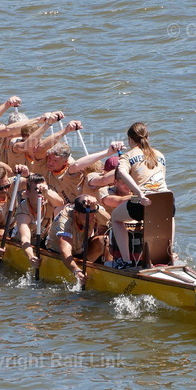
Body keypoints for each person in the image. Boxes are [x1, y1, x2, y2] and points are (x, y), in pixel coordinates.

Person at [109, 122, 170, 267]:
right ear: (147, 137)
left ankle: (126, 261)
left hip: (143, 202)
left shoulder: (127, 155)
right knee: (169, 217)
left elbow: (122, 173)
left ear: (130, 139)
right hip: (166, 200)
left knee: (116, 218)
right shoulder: (160, 155)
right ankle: (168, 255)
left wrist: (139, 193)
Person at [46, 195, 110, 285]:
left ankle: (112, 270)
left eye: (92, 213)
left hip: (81, 250)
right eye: (86, 214)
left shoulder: (94, 211)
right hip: (59, 254)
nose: (90, 217)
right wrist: (76, 271)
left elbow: (109, 221)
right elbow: (65, 251)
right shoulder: (65, 221)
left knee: (105, 240)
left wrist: (96, 208)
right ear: (76, 213)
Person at [14, 172, 64, 267]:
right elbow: (25, 238)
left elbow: (60, 203)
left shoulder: (47, 197)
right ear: (27, 193)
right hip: (24, 243)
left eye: (42, 190)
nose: (40, 194)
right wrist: (31, 256)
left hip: (42, 239)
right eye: (37, 190)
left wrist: (46, 192)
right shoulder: (23, 211)